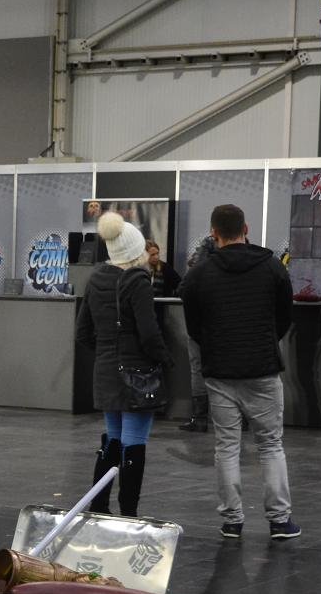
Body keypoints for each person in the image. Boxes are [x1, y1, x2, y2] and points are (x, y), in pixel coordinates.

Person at [180, 204, 299, 540]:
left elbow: (194, 326)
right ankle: (279, 521)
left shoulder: (199, 274)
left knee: (227, 447)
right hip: (263, 369)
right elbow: (284, 316)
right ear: (246, 229)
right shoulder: (272, 267)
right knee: (271, 445)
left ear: (213, 233)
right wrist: (265, 341)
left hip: (220, 372)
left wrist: (214, 346)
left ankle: (232, 520)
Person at [75, 212, 168, 518]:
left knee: (113, 438)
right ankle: (128, 512)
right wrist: (163, 359)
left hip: (105, 372)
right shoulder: (137, 281)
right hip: (136, 373)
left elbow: (83, 333)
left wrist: (107, 352)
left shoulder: (95, 279)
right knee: (134, 443)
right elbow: (149, 332)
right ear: (136, 250)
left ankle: (99, 506)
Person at [178, 235, 216, 432]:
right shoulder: (238, 266)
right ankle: (240, 419)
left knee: (198, 371)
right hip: (229, 330)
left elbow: (182, 290)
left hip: (198, 329)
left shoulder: (196, 272)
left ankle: (200, 418)